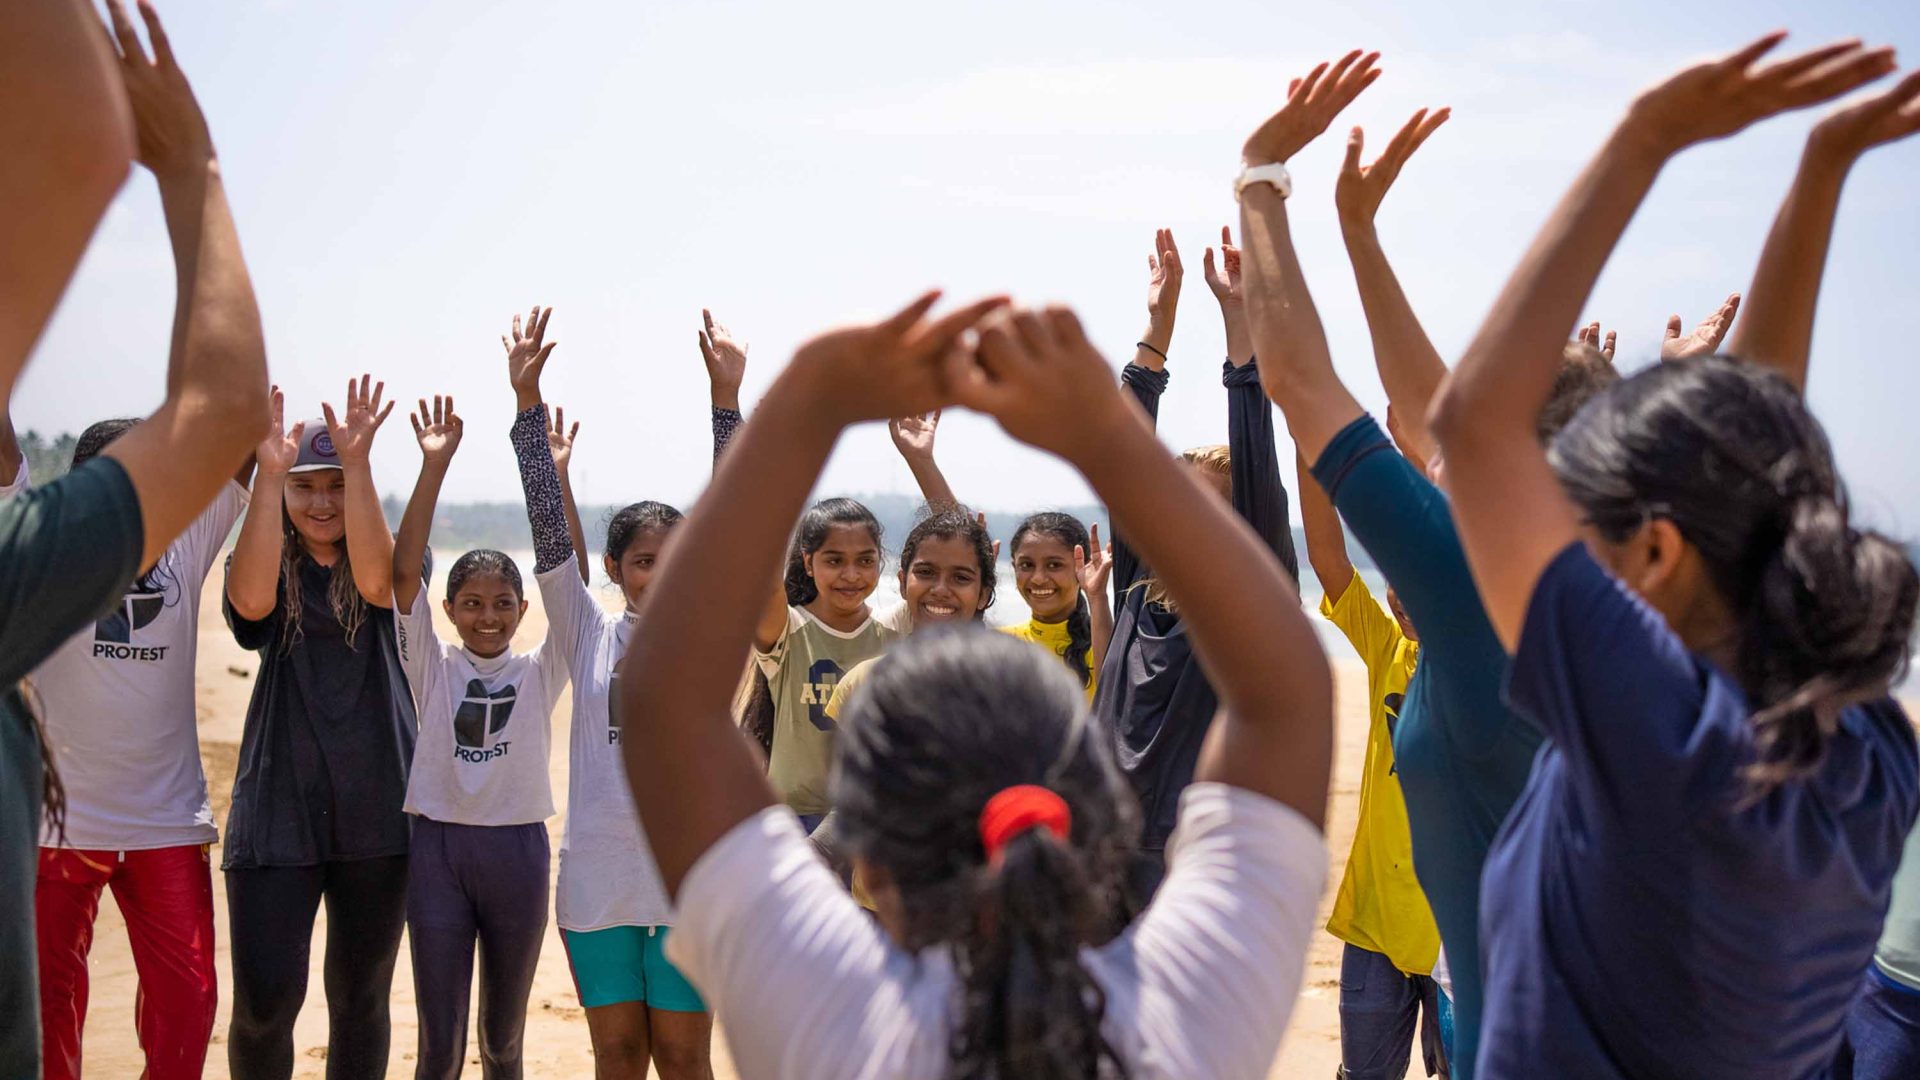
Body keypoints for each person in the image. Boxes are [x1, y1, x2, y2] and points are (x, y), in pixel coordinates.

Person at [618, 291, 1334, 1080]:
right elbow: (1290, 691)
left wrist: (807, 401)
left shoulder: (827, 1020)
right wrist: (1100, 433)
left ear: (871, 866)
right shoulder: (1188, 1013)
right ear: (1095, 825)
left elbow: (664, 705)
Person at [1427, 35, 1916, 1078]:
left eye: (1576, 530)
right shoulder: (1865, 744)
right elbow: (1758, 464)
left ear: (1654, 551)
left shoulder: (1662, 736)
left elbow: (1471, 427)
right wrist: (1819, 176)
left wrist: (1645, 141)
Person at [1233, 52, 1612, 1076]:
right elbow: (1422, 417)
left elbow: (1306, 381)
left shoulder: (1480, 588)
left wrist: (1262, 175)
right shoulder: (1630, 593)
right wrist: (1359, 236)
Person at [1, 2, 269, 1074]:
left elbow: (224, 435)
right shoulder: (22, 563)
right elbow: (222, 403)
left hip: (161, 819)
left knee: (180, 1011)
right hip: (66, 838)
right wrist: (188, 165)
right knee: (56, 1020)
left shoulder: (45, 558)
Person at [507, 308, 714, 1080]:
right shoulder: (588, 634)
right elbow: (550, 540)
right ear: (619, 569)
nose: (659, 573)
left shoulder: (712, 639)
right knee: (619, 1057)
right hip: (597, 880)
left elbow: (742, 512)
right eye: (643, 561)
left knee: (686, 1059)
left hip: (688, 881)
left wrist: (725, 400)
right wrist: (528, 408)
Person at [1096, 226, 1300, 904]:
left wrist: (1236, 323)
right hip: (1101, 846)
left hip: (1194, 863)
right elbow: (1125, 459)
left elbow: (1256, 453)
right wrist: (1158, 329)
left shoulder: (1246, 607)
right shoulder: (1137, 592)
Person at [222, 374, 413, 1080]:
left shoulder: (389, 558)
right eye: (307, 486)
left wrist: (357, 466)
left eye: (336, 484)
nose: (322, 501)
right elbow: (248, 608)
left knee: (360, 999)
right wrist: (268, 479)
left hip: (378, 807)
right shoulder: (267, 558)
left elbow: (374, 582)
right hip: (275, 809)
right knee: (266, 1002)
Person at [389, 393, 568, 1080]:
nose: (487, 617)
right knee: (438, 1046)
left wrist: (555, 473)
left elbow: (567, 576)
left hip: (519, 851)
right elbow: (404, 575)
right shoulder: (431, 668)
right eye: (471, 603)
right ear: (449, 610)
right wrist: (435, 467)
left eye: (502, 604)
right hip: (437, 849)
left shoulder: (541, 670)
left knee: (504, 1042)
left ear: (523, 609)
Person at [1298, 451, 1444, 1080]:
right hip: (1376, 923)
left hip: (1461, 933)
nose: (1405, 593)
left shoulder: (1496, 662)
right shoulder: (1389, 649)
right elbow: (1327, 560)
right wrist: (1307, 440)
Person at [1003, 513, 1112, 698]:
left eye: (1054, 565)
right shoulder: (997, 643)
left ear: (1082, 568)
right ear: (1014, 568)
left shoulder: (1103, 645)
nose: (1038, 578)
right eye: (1027, 565)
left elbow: (1114, 695)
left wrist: (1097, 596)